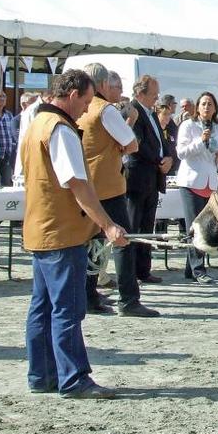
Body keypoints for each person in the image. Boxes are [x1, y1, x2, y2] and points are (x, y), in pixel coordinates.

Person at [22, 69, 129, 398]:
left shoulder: (36, 124)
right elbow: (77, 184)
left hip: (40, 230)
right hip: (63, 233)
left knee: (41, 307)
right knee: (68, 309)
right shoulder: (61, 130)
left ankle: (42, 376)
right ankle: (74, 379)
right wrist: (107, 224)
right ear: (71, 94)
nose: (87, 107)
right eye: (85, 99)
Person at [76, 63, 151, 317]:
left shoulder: (82, 111)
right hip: (108, 184)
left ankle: (88, 295)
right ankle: (128, 299)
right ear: (104, 85)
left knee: (94, 242)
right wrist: (129, 123)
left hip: (88, 183)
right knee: (122, 241)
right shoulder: (104, 110)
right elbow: (131, 144)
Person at [124, 75, 173, 285]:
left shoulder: (152, 114)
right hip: (138, 176)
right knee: (134, 226)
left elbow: (163, 140)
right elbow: (137, 144)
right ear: (140, 93)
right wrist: (158, 159)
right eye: (153, 94)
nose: (157, 98)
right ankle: (130, 271)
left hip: (153, 177)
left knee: (147, 226)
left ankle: (144, 270)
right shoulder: (132, 110)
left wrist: (169, 156)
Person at [176, 92, 218, 284]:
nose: (206, 107)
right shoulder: (188, 125)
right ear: (197, 107)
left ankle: (191, 269)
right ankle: (199, 270)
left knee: (203, 226)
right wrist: (201, 141)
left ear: (215, 108)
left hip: (209, 181)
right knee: (193, 227)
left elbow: (214, 152)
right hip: (191, 182)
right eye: (203, 104)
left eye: (210, 104)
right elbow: (181, 153)